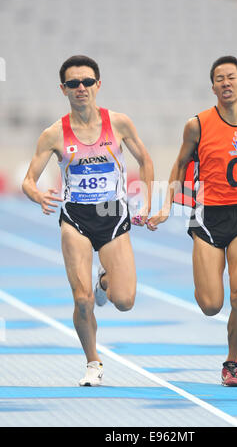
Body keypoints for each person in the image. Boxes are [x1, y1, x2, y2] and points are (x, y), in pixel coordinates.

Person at [147, 56, 237, 386]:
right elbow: (180, 165)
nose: (226, 82)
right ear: (212, 87)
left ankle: (231, 364)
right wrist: (166, 205)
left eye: (232, 77)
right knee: (211, 304)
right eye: (219, 78)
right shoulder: (197, 124)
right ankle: (209, 286)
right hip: (206, 218)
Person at [22, 55, 154, 386]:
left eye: (87, 82)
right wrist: (37, 195)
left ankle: (104, 283)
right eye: (73, 84)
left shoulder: (119, 123)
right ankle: (93, 361)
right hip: (76, 217)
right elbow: (28, 180)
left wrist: (149, 201)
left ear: (98, 85)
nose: (81, 88)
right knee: (81, 300)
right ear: (63, 89)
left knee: (124, 301)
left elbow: (146, 160)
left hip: (113, 215)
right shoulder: (53, 134)